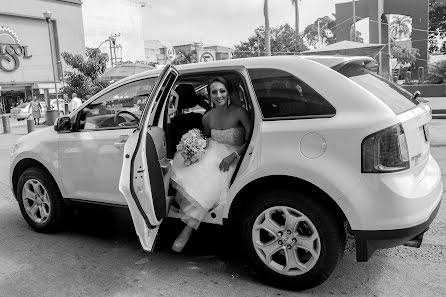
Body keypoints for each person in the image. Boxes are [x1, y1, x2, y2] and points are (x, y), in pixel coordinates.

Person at [170, 76, 251, 252]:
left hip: (237, 155)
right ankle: (188, 224)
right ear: (210, 95)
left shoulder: (240, 112)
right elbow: (207, 138)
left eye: (222, 91)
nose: (219, 95)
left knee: (213, 180)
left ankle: (187, 230)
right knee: (192, 171)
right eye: (214, 92)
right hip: (213, 153)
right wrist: (194, 148)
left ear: (228, 93)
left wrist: (234, 155)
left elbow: (252, 138)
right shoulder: (207, 117)